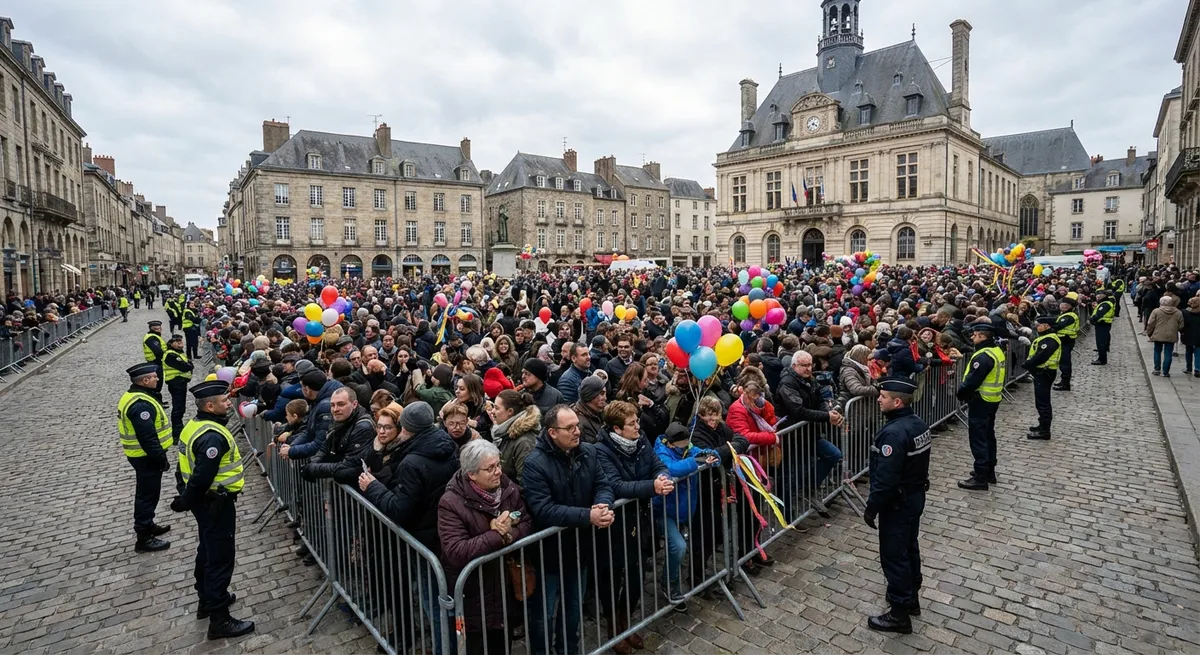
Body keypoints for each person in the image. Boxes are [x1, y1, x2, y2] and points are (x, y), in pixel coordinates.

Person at [522, 405, 615, 655]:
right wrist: (588, 516)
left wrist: (603, 505)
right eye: (570, 428)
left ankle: (568, 649)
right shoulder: (535, 464)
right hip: (549, 554)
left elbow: (603, 483)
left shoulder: (588, 452)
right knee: (544, 613)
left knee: (573, 608)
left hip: (579, 549)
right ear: (552, 432)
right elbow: (544, 509)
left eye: (578, 426)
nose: (577, 431)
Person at [169, 380, 256, 640]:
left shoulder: (193, 426)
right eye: (224, 400)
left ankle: (206, 600)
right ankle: (219, 619)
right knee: (219, 557)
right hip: (215, 503)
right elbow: (201, 476)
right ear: (209, 405)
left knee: (206, 549)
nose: (229, 403)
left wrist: (185, 497)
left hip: (204, 503)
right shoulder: (212, 435)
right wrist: (185, 500)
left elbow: (181, 465)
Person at [437, 440, 534, 655]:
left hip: (504, 587)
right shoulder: (451, 503)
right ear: (471, 474)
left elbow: (525, 520)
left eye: (498, 465)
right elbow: (456, 551)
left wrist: (508, 534)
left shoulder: (507, 487)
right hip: (474, 596)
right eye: (490, 468)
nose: (498, 471)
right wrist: (496, 535)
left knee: (502, 644)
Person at [595, 400, 673, 653]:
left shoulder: (640, 441)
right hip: (614, 523)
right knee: (612, 576)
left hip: (639, 519)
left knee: (637, 574)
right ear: (617, 429)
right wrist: (651, 487)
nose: (637, 427)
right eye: (632, 424)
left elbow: (656, 463)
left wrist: (662, 476)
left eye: (637, 421)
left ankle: (625, 620)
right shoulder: (602, 450)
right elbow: (615, 485)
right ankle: (613, 626)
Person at [863, 377, 931, 635]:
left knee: (894, 555)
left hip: (897, 503)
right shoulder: (918, 424)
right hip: (914, 497)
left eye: (883, 396)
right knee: (909, 547)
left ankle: (900, 613)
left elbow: (886, 478)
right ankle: (911, 597)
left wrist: (872, 507)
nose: (879, 399)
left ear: (897, 401)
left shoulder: (893, 432)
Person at [775, 350, 843, 517]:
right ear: (794, 365)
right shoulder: (787, 384)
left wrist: (827, 413)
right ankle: (786, 514)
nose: (808, 369)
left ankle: (809, 486)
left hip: (811, 433)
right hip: (793, 436)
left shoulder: (809, 379)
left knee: (833, 454)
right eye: (804, 365)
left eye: (810, 365)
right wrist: (826, 416)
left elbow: (820, 399)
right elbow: (798, 411)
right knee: (790, 475)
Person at [118, 362, 173, 553]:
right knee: (147, 496)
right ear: (145, 380)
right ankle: (144, 537)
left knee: (149, 494)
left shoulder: (136, 396)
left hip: (142, 456)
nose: (158, 379)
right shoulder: (140, 403)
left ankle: (148, 525)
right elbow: (147, 437)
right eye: (155, 377)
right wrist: (160, 458)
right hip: (145, 457)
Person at [956, 323, 1005, 491]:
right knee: (989, 436)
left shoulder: (984, 356)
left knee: (979, 439)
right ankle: (989, 469)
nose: (972, 337)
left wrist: (961, 392)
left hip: (981, 400)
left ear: (983, 337)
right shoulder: (996, 351)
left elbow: (972, 381)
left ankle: (980, 476)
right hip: (993, 399)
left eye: (975, 335)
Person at [488, 389, 542, 484]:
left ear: (510, 411)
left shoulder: (524, 442)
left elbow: (525, 483)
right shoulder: (504, 433)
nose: (492, 411)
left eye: (496, 408)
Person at [1022, 316, 1061, 441]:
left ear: (1047, 326)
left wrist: (1027, 364)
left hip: (1045, 372)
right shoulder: (1045, 338)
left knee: (1043, 403)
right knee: (1040, 402)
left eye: (1039, 325)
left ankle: (1045, 431)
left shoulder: (1049, 340)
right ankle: (1042, 425)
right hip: (1042, 372)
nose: (1037, 327)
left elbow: (1041, 357)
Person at [162, 334, 193, 444]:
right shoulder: (171, 355)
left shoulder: (179, 353)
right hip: (176, 382)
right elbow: (185, 366)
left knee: (180, 407)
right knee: (178, 408)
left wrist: (189, 364)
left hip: (180, 382)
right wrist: (188, 365)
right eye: (177, 342)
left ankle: (179, 428)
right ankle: (177, 433)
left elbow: (188, 364)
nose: (180, 344)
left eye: (181, 342)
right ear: (171, 343)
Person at [1147, 295, 1185, 377]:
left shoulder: (1156, 311)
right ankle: (1166, 371)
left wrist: (1149, 333)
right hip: (1171, 335)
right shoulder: (1178, 312)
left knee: (1157, 351)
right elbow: (1181, 325)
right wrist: (1175, 329)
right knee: (1168, 353)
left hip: (1158, 334)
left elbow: (1150, 323)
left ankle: (1157, 369)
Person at [1052, 296, 1079, 391]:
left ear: (1070, 307)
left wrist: (1049, 327)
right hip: (1063, 340)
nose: (1062, 306)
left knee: (1065, 363)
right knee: (1063, 362)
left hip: (1066, 341)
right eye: (1062, 304)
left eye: (1065, 305)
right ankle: (1063, 381)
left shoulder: (1069, 316)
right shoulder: (1064, 314)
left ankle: (1066, 383)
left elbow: (1059, 325)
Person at [573, 374, 607, 444]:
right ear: (591, 395)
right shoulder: (579, 422)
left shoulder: (604, 411)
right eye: (602, 394)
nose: (605, 398)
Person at [143, 320, 168, 399]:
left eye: (159, 328)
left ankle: (158, 399)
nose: (158, 330)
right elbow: (157, 351)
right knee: (156, 382)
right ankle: (156, 399)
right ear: (151, 328)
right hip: (154, 362)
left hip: (156, 362)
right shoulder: (151, 338)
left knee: (158, 381)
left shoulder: (155, 336)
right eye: (156, 329)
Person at [1089, 289, 1115, 366]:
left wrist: (1092, 320)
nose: (1097, 298)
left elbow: (1099, 314)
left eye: (1099, 297)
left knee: (1101, 342)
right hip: (1103, 323)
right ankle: (1102, 355)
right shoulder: (1105, 303)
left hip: (1102, 324)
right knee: (1103, 340)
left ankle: (1102, 359)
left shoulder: (1105, 304)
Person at [1183, 296, 1200, 377]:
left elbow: (1182, 325)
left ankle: (1188, 368)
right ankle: (1197, 369)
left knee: (1188, 351)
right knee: (1198, 352)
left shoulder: (1185, 313)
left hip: (1188, 335)